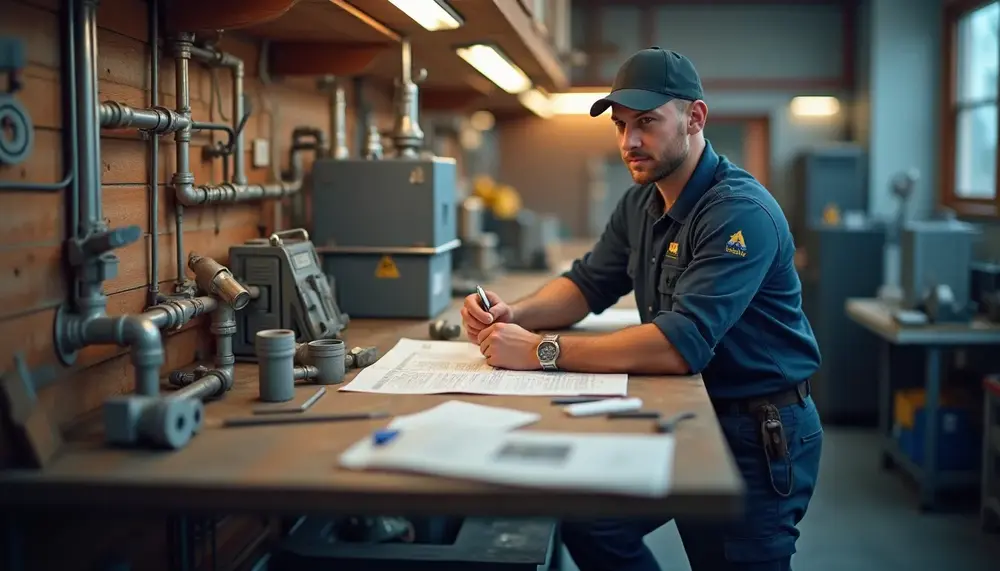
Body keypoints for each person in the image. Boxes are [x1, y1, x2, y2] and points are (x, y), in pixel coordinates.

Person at [460, 47, 824, 571]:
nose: (629, 141)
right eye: (621, 124)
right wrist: (514, 315)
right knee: (591, 521)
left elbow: (679, 345)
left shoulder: (737, 212)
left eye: (647, 123)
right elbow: (586, 285)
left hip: (756, 429)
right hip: (686, 410)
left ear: (694, 118)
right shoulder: (643, 200)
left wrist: (541, 350)